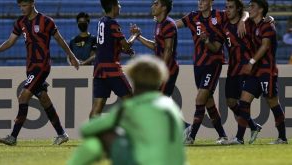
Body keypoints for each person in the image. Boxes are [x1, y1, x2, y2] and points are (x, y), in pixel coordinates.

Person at [0, 0, 79, 146]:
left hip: (42, 66)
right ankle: (62, 134)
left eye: (24, 5)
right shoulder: (20, 22)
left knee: (23, 96)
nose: (22, 9)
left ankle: (13, 137)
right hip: (30, 67)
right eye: (20, 6)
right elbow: (10, 41)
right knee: (44, 98)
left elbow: (60, 40)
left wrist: (72, 56)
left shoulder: (46, 21)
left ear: (32, 3)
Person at [67, 55, 185, 165]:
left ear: (133, 80)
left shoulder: (131, 107)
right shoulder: (172, 107)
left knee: (101, 138)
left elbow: (86, 129)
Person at [175, 0, 248, 144]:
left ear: (211, 2)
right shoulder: (193, 17)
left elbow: (243, 13)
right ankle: (224, 135)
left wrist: (243, 21)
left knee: (200, 99)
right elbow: (174, 25)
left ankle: (191, 136)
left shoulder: (220, 15)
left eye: (203, 0)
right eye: (199, 0)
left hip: (213, 64)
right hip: (198, 65)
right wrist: (162, 22)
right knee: (208, 103)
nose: (200, 3)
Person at [230, 0, 288, 144]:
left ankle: (282, 137)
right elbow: (242, 13)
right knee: (244, 101)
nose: (250, 8)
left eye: (253, 6)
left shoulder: (268, 26)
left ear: (261, 10)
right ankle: (239, 138)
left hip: (266, 70)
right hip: (255, 72)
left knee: (272, 102)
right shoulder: (250, 23)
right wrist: (243, 20)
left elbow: (265, 46)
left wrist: (251, 62)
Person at [130, 0, 191, 134]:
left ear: (164, 8)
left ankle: (184, 128)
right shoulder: (159, 23)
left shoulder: (168, 24)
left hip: (168, 69)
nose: (153, 6)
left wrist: (161, 71)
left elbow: (168, 50)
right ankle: (183, 128)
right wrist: (138, 37)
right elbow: (156, 46)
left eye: (156, 4)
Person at [206, 0, 262, 144]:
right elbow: (216, 46)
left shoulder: (247, 22)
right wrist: (206, 41)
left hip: (247, 68)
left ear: (238, 9)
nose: (227, 10)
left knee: (243, 102)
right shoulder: (224, 25)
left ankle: (239, 138)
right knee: (230, 102)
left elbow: (250, 14)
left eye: (230, 7)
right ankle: (253, 126)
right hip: (233, 68)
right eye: (226, 7)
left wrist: (244, 19)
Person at [89, 0, 135, 118]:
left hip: (99, 69)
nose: (120, 7)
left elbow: (107, 45)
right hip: (112, 69)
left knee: (97, 106)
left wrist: (123, 50)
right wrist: (136, 35)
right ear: (114, 6)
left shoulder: (101, 22)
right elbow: (126, 44)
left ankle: (89, 135)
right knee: (131, 100)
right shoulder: (113, 23)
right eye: (118, 4)